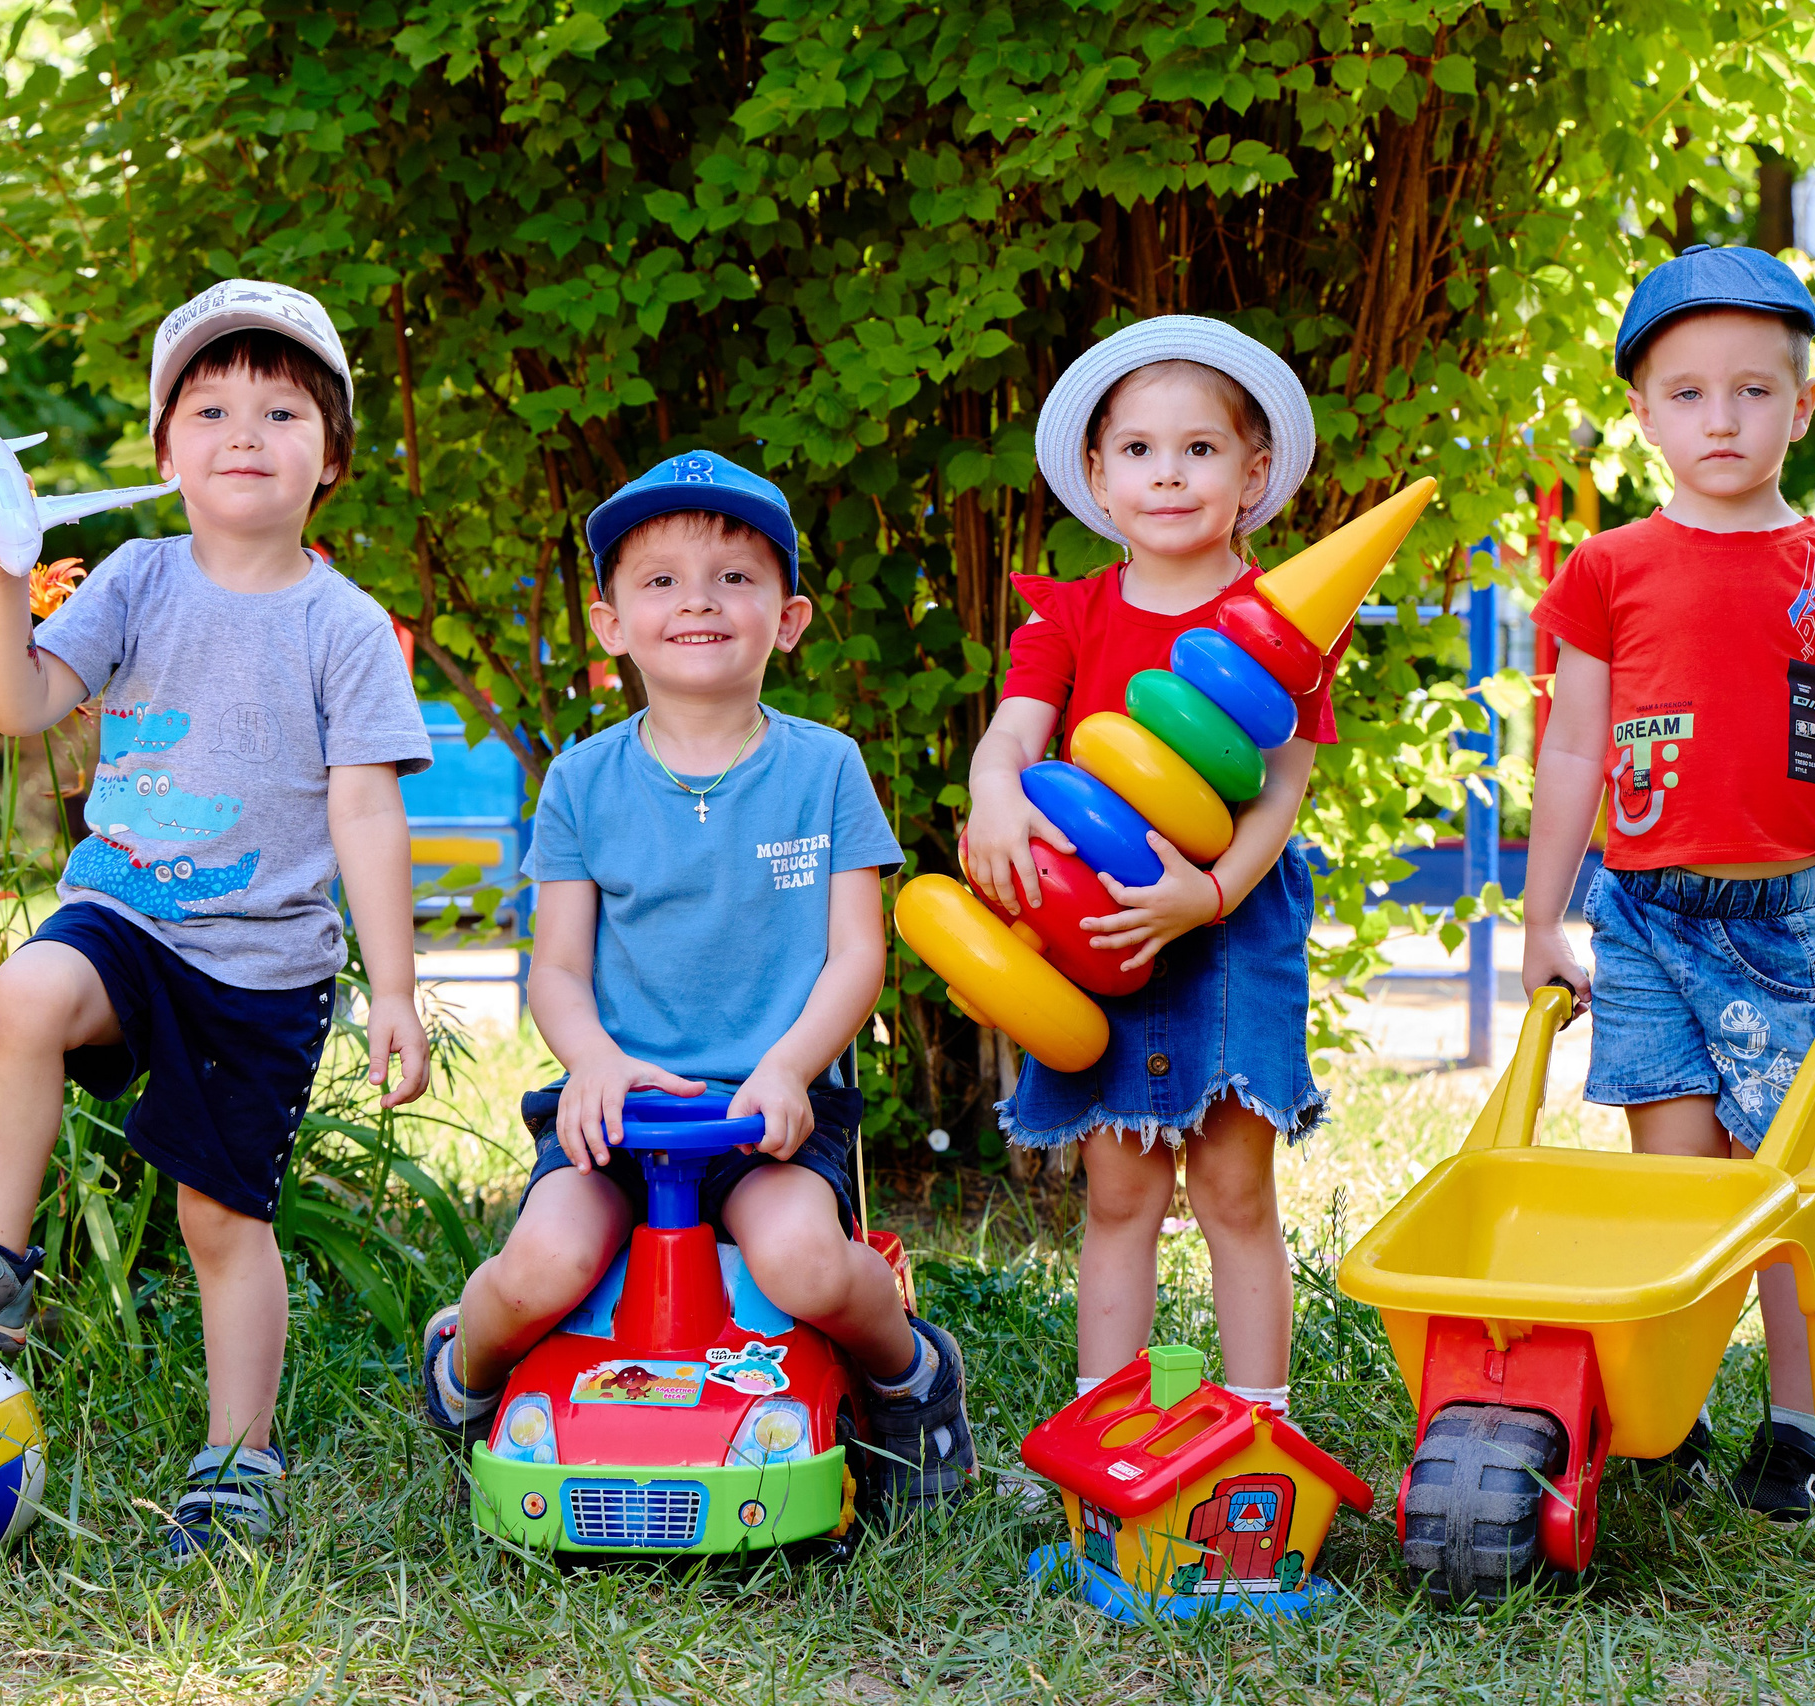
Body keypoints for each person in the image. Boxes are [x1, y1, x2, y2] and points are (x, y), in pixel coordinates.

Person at [0, 280, 435, 1556]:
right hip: (128, 913)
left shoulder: (346, 626)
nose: (244, 430)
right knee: (27, 991)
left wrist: (394, 990)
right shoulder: (142, 578)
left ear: (332, 458)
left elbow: (369, 817)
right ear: (165, 454)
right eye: (208, 408)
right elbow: (20, 701)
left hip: (261, 966)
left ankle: (237, 1453)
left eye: (280, 407)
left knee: (222, 1217)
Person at [417, 451, 975, 1516]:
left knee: (807, 1262)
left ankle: (911, 1372)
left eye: (733, 577)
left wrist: (786, 1067)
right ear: (611, 622)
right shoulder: (584, 776)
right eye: (661, 580)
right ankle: (463, 1365)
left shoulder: (824, 768)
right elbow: (561, 970)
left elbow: (858, 952)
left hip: (769, 1110)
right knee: (542, 1268)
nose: (699, 601)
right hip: (616, 1109)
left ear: (790, 616)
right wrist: (595, 1062)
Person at [1523, 244, 1815, 1519]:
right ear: (1642, 412)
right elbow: (1576, 746)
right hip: (1641, 915)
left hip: (1789, 920)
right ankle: (1672, 1414)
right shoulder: (1604, 569)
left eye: (1753, 391)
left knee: (1784, 1190)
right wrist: (1545, 915)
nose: (1720, 417)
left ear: (1799, 408)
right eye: (1688, 392)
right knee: (1678, 1178)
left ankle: (1799, 1428)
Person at [962, 317, 1343, 1420]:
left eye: (1199, 449)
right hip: (1094, 933)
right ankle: (1103, 1420)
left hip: (1226, 927)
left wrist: (1209, 893)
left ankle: (1259, 1423)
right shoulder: (1074, 610)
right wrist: (995, 791)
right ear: (1096, 473)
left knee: (1234, 1185)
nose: (1166, 473)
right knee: (1119, 1188)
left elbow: (1279, 789)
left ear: (1252, 471)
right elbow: (1013, 731)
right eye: (1136, 449)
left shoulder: (1285, 621)